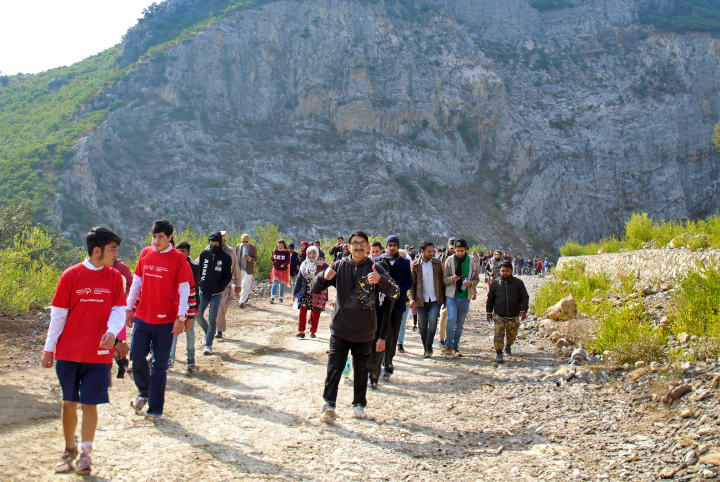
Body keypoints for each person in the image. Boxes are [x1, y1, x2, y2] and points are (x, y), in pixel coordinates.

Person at [42, 227, 126, 476]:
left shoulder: (113, 277)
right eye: (112, 249)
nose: (116, 254)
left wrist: (112, 333)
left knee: (90, 404)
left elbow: (118, 310)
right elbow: (58, 315)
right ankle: (70, 450)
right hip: (68, 353)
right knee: (69, 403)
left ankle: (86, 455)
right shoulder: (71, 275)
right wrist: (49, 349)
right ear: (96, 250)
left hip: (98, 355)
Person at [310, 231, 397, 422]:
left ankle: (359, 404)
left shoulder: (375, 268)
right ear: (349, 247)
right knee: (334, 367)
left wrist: (380, 280)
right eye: (355, 244)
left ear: (367, 247)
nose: (359, 247)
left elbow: (395, 292)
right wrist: (324, 276)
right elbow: (314, 288)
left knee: (361, 370)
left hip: (365, 331)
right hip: (340, 328)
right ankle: (329, 404)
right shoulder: (339, 266)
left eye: (362, 244)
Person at [125, 220, 194, 420]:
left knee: (159, 365)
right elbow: (137, 281)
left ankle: (155, 408)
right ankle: (143, 392)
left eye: (161, 237)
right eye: (154, 237)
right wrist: (129, 307)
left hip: (166, 321)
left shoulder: (178, 259)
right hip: (143, 317)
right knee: (137, 357)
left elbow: (184, 290)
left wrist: (182, 318)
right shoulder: (146, 253)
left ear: (170, 237)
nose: (156, 241)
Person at [380, 236, 413, 380]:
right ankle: (379, 362)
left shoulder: (405, 263)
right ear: (386, 246)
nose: (392, 248)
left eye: (394, 245)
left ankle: (388, 363)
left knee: (393, 335)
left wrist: (399, 290)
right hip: (381, 305)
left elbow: (409, 282)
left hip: (398, 305)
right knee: (381, 334)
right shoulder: (378, 261)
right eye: (390, 245)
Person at [442, 238, 480, 357]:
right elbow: (444, 279)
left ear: (466, 250)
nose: (459, 253)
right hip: (452, 295)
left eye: (461, 251)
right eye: (457, 250)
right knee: (451, 319)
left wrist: (471, 284)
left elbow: (476, 279)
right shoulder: (450, 260)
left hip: (465, 296)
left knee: (460, 323)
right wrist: (451, 279)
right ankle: (448, 345)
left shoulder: (472, 262)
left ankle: (455, 345)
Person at [196, 232, 233, 355]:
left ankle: (208, 345)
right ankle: (208, 334)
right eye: (211, 244)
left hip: (217, 294)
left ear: (220, 244)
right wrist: (199, 283)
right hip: (203, 292)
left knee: (213, 320)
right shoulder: (204, 254)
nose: (213, 246)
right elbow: (199, 269)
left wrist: (221, 286)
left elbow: (228, 275)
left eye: (216, 244)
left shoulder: (226, 258)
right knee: (198, 315)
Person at [486, 261, 529, 363]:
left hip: (514, 315)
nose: (505, 273)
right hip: (499, 315)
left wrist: (523, 310)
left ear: (511, 271)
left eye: (507, 271)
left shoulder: (518, 283)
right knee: (498, 334)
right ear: (500, 271)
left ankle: (508, 345)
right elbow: (490, 298)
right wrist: (488, 312)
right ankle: (499, 353)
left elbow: (525, 297)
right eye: (503, 271)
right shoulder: (495, 283)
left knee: (512, 335)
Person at [408, 240, 445, 357]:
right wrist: (412, 299)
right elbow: (411, 285)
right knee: (423, 325)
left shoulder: (438, 263)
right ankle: (426, 348)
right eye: (429, 251)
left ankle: (428, 345)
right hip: (421, 300)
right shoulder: (415, 265)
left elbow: (443, 281)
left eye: (432, 251)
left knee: (433, 322)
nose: (431, 253)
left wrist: (444, 298)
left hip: (435, 299)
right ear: (422, 251)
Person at [368, 242, 395, 389]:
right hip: (364, 328)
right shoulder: (366, 288)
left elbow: (386, 316)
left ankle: (374, 379)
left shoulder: (388, 293)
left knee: (376, 357)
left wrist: (382, 338)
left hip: (380, 329)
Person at [169, 241, 199, 370]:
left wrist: (191, 312)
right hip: (176, 306)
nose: (180, 254)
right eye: (178, 251)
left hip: (190, 305)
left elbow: (193, 288)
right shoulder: (172, 265)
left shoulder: (194, 267)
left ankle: (190, 357)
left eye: (183, 252)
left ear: (188, 253)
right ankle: (170, 358)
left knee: (189, 331)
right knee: (173, 333)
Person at [293, 246, 329, 338]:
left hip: (318, 292)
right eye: (310, 253)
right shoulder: (304, 264)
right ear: (308, 254)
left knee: (315, 312)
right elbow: (299, 280)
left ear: (317, 254)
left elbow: (331, 270)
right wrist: (295, 293)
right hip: (305, 292)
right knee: (302, 311)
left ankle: (313, 331)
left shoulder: (321, 263)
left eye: (314, 253)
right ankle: (301, 331)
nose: (312, 255)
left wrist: (323, 264)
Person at [215, 231, 239, 340]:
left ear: (224, 241)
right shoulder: (209, 248)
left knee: (221, 306)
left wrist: (238, 284)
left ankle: (219, 330)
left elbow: (235, 268)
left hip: (225, 284)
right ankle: (211, 329)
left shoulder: (230, 251)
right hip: (212, 283)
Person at [111, 256, 133, 378]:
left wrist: (124, 296)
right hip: (100, 309)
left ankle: (122, 362)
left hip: (118, 307)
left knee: (117, 339)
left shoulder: (121, 267)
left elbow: (131, 283)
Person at [437, 237, 456, 348]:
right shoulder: (441, 257)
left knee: (452, 316)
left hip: (455, 289)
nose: (453, 250)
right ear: (448, 246)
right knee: (444, 314)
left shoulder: (459, 257)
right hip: (443, 289)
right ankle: (441, 338)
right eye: (452, 247)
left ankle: (450, 338)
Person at [235, 234, 258, 308]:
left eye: (246, 241)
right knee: (242, 285)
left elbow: (255, 258)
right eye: (243, 241)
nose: (245, 243)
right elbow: (235, 256)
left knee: (245, 284)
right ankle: (245, 297)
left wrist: (249, 258)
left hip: (248, 270)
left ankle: (241, 302)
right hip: (240, 269)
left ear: (249, 241)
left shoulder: (252, 248)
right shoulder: (238, 247)